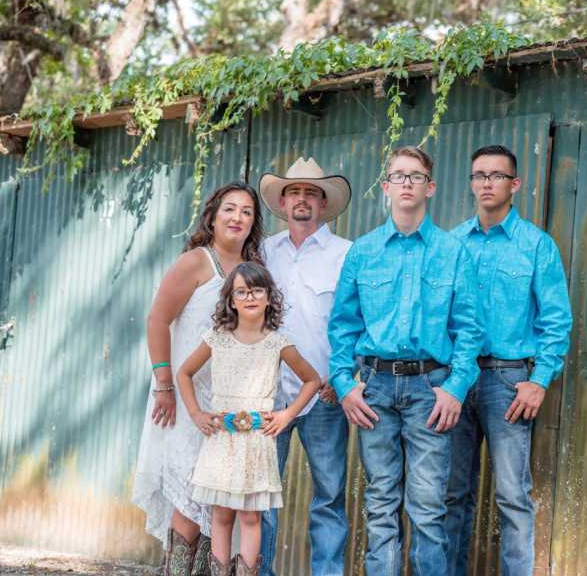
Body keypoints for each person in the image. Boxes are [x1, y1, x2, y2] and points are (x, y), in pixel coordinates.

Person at [328, 145, 483, 575]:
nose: (407, 183)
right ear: (386, 187)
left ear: (430, 187)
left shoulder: (453, 252)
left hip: (429, 391)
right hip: (374, 389)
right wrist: (344, 383)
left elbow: (469, 329)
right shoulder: (363, 252)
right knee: (380, 505)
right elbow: (342, 324)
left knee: (429, 506)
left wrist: (455, 388)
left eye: (416, 176)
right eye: (399, 175)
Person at [446, 145, 572, 576]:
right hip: (456, 383)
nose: (485, 183)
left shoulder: (537, 246)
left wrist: (539, 380)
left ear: (514, 184)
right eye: (478, 175)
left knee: (513, 496)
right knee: (452, 492)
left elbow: (557, 320)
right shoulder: (453, 243)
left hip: (509, 381)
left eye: (496, 176)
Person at [132, 183, 265, 576]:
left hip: (230, 402)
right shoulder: (196, 262)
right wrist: (163, 385)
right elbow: (158, 320)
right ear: (213, 215)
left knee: (219, 502)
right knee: (189, 497)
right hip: (186, 397)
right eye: (230, 209)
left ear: (254, 223)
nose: (237, 217)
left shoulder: (252, 271)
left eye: (246, 212)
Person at [176, 262, 321, 576]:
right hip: (221, 440)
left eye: (257, 290)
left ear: (269, 297)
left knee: (251, 517)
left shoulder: (278, 342)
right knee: (222, 515)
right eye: (241, 291)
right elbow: (184, 373)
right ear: (231, 300)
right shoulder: (217, 338)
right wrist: (196, 413)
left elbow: (312, 380)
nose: (250, 296)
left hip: (256, 443)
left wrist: (287, 414)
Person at [258, 157, 353, 576]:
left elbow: (355, 321)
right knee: (261, 496)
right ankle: (258, 570)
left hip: (325, 395)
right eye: (294, 192)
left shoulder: (346, 254)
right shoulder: (261, 252)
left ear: (323, 204)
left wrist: (343, 377)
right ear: (282, 201)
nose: (302, 200)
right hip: (267, 394)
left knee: (329, 497)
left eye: (311, 193)